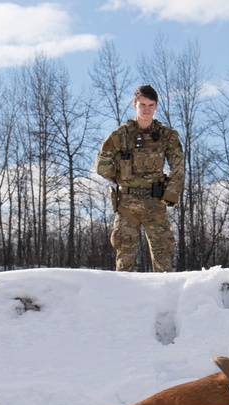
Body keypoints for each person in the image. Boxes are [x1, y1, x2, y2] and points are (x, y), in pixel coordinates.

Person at [95, 85, 184, 272]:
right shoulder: (121, 135)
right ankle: (122, 300)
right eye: (142, 104)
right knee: (124, 262)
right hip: (127, 204)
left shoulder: (167, 136)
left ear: (156, 107)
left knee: (163, 261)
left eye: (151, 105)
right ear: (135, 105)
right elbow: (101, 165)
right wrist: (124, 177)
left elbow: (178, 167)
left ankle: (165, 299)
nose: (146, 109)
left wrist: (169, 195)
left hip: (155, 203)